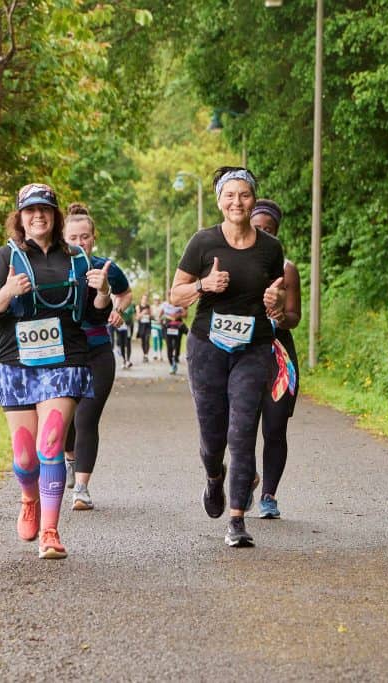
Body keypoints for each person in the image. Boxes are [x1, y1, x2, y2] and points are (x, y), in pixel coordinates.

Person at [0, 183, 113, 559]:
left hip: (64, 361)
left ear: (56, 216)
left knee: (51, 444)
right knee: (24, 458)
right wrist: (6, 293)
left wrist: (102, 292)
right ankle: (29, 500)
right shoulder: (5, 258)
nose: (39, 216)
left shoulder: (78, 260)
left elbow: (93, 315)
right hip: (15, 364)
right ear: (20, 217)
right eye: (30, 211)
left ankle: (50, 531)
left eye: (46, 210)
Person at [170, 166, 285, 547]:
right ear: (220, 201)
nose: (238, 202)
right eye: (230, 195)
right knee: (213, 436)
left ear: (253, 200)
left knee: (243, 430)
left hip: (253, 348)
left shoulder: (270, 248)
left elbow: (279, 300)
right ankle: (213, 478)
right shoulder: (203, 243)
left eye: (245, 195)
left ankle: (237, 519)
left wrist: (276, 301)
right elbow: (176, 295)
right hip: (207, 348)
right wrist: (204, 285)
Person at [61, 203, 132, 511]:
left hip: (98, 353)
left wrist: (118, 310)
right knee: (65, 422)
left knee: (86, 417)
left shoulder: (105, 267)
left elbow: (125, 293)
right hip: (63, 356)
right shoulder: (55, 267)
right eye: (73, 236)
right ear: (62, 237)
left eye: (85, 236)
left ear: (93, 237)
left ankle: (82, 488)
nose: (80, 242)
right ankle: (69, 460)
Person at [249, 198, 301, 520]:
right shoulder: (229, 261)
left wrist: (281, 316)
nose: (263, 234)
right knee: (240, 425)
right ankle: (247, 475)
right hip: (244, 353)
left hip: (278, 356)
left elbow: (294, 317)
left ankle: (269, 495)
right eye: (258, 228)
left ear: (277, 234)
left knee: (275, 426)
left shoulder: (287, 269)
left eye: (269, 230)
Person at [160, 298, 186, 374]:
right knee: (169, 347)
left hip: (178, 327)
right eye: (170, 296)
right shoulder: (165, 305)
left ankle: (176, 357)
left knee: (177, 346)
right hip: (168, 327)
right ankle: (172, 364)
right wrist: (164, 318)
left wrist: (178, 315)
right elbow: (160, 316)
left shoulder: (180, 304)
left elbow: (185, 314)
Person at [115, 300, 135, 369]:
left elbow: (129, 314)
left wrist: (120, 311)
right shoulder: (117, 303)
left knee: (128, 343)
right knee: (121, 344)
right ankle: (124, 360)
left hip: (128, 326)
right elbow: (115, 312)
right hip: (120, 326)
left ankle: (128, 360)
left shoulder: (131, 304)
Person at [136, 294, 153, 362]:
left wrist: (149, 314)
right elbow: (137, 317)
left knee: (147, 339)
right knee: (143, 341)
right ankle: (144, 354)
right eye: (143, 299)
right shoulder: (138, 307)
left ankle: (146, 355)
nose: (145, 300)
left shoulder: (149, 307)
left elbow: (152, 316)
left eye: (146, 299)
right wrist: (143, 313)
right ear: (141, 299)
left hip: (148, 325)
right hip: (141, 326)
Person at [150, 294, 165, 361]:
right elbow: (150, 316)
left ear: (159, 301)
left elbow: (164, 316)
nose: (156, 301)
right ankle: (155, 354)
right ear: (153, 301)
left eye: (157, 300)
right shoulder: (151, 307)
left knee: (160, 339)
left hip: (160, 325)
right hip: (153, 325)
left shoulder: (162, 307)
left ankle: (160, 353)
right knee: (155, 339)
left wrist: (161, 319)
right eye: (155, 300)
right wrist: (154, 317)